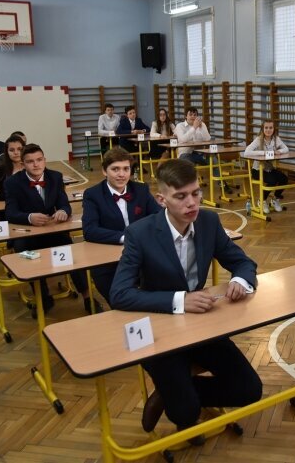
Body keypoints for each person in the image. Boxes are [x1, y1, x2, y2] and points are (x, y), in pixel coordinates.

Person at [109, 159, 262, 439]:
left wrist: (240, 280)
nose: (191, 203)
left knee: (251, 390)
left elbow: (243, 263)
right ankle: (179, 397)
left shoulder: (209, 222)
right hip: (159, 330)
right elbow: (119, 294)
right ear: (162, 199)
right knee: (185, 414)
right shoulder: (140, 234)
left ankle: (171, 393)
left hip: (201, 326)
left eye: (196, 193)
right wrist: (180, 300)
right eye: (180, 196)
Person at [4, 143, 92, 313]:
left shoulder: (55, 177)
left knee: (72, 253)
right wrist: (29, 217)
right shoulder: (12, 183)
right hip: (28, 234)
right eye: (30, 161)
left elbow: (65, 204)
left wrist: (62, 211)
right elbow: (10, 212)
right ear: (23, 164)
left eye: (39, 160)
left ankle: (88, 296)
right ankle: (43, 297)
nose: (36, 165)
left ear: (45, 160)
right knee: (24, 254)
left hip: (53, 230)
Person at [82, 147, 161, 305]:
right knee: (119, 299)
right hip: (108, 261)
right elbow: (90, 230)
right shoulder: (93, 194)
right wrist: (124, 238)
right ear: (104, 171)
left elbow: (158, 218)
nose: (121, 174)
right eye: (115, 169)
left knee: (158, 290)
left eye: (126, 169)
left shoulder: (141, 189)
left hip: (142, 256)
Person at [175, 107, 231, 193]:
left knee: (213, 159)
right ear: (186, 116)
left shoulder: (201, 125)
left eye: (195, 115)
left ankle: (222, 183)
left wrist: (201, 128)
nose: (193, 117)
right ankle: (192, 188)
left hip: (200, 153)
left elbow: (207, 138)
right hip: (186, 154)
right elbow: (182, 139)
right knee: (188, 164)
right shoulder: (180, 126)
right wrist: (194, 128)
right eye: (190, 114)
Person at [245, 119, 289, 213]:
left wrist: (279, 151)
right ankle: (262, 200)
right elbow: (246, 152)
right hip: (258, 170)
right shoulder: (258, 140)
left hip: (270, 169)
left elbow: (286, 149)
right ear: (262, 129)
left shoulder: (276, 139)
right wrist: (264, 153)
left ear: (274, 129)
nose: (268, 130)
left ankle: (275, 199)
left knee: (284, 179)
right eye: (266, 128)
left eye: (270, 128)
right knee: (272, 181)